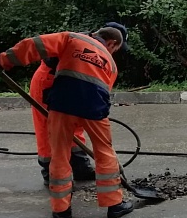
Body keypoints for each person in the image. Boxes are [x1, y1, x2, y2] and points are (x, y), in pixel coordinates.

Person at [0, 27, 134, 218]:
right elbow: (101, 91)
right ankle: (114, 205)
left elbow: (33, 45)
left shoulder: (71, 38)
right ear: (111, 43)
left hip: (61, 103)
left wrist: (4, 61)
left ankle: (62, 211)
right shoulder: (110, 63)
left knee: (58, 154)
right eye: (116, 49)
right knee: (105, 152)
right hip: (93, 108)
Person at [30, 22, 130, 186]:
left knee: (75, 125)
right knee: (49, 128)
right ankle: (51, 172)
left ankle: (80, 167)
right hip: (48, 82)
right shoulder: (73, 40)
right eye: (116, 48)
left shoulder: (101, 56)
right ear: (111, 41)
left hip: (71, 87)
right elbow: (39, 47)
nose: (114, 53)